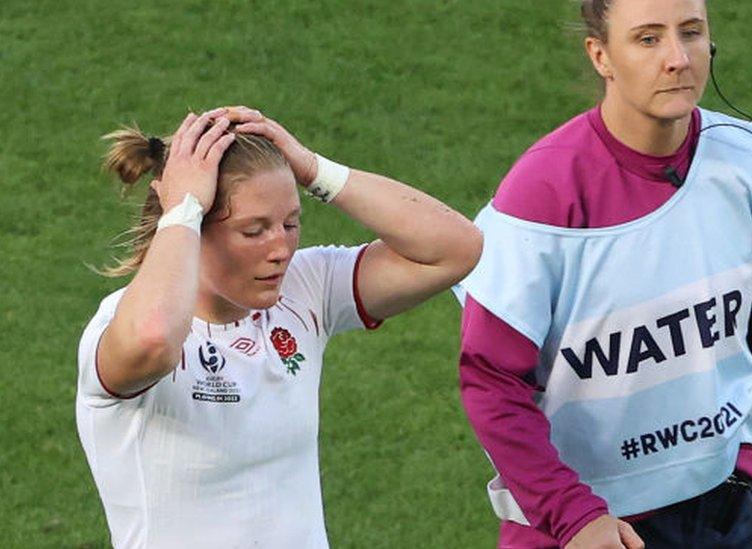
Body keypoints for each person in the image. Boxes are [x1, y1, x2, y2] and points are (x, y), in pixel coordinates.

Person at [456, 1, 752, 547]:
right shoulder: (542, 197)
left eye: (691, 33)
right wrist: (574, 515)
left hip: (727, 510)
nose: (677, 58)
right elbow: (491, 381)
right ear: (601, 55)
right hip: (588, 528)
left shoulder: (743, 166)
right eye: (648, 39)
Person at [76, 106, 482, 548]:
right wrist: (183, 208)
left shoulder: (306, 289)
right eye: (254, 231)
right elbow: (153, 341)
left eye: (290, 224)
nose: (281, 250)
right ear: (194, 230)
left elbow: (456, 248)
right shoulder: (121, 325)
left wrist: (312, 168)